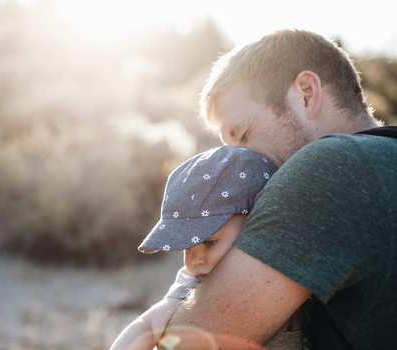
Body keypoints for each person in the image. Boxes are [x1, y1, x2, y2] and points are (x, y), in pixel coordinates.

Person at [158, 29, 397, 349]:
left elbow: (186, 344)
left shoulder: (331, 166)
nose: (239, 161)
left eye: (242, 134)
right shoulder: (384, 159)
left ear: (307, 93)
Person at [110, 145, 293, 350]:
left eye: (209, 242)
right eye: (187, 247)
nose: (195, 259)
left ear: (255, 224)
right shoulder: (192, 282)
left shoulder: (286, 264)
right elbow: (146, 325)